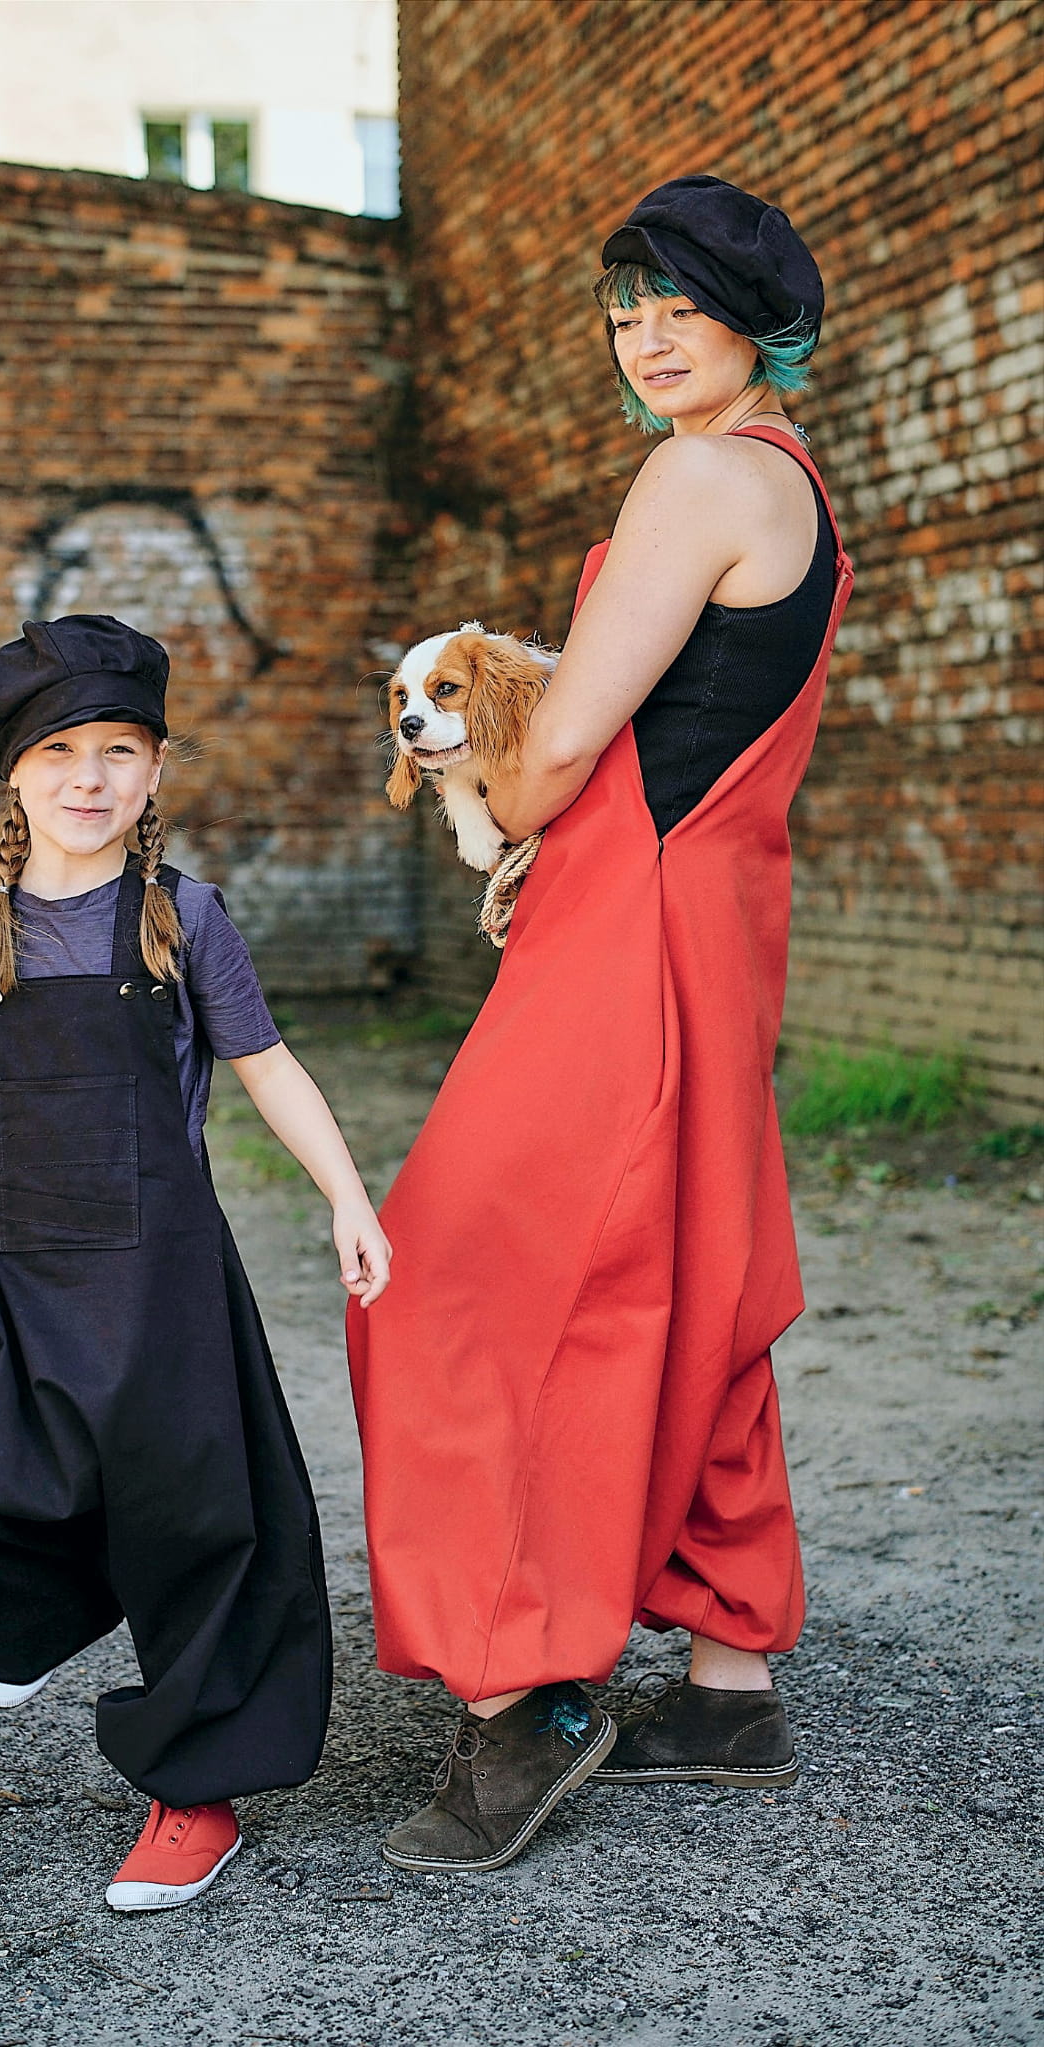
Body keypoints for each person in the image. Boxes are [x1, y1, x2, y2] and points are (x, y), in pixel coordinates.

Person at [348, 175, 854, 1873]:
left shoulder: (697, 475)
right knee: (693, 1274)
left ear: (757, 322)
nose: (643, 336)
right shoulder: (792, 486)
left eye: (677, 305)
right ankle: (726, 1685)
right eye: (623, 310)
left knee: (451, 1279)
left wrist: (494, 803)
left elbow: (561, 741)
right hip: (709, 915)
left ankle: (524, 1700)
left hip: (631, 922)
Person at [0, 615, 390, 1911]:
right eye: (58, 752)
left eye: (117, 750)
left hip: (158, 1281)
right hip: (15, 1262)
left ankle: (194, 1795)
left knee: (189, 1529)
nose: (87, 778)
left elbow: (265, 1064)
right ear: (14, 773)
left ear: (155, 770)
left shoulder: (180, 917)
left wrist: (347, 1197)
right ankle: (31, 1619)